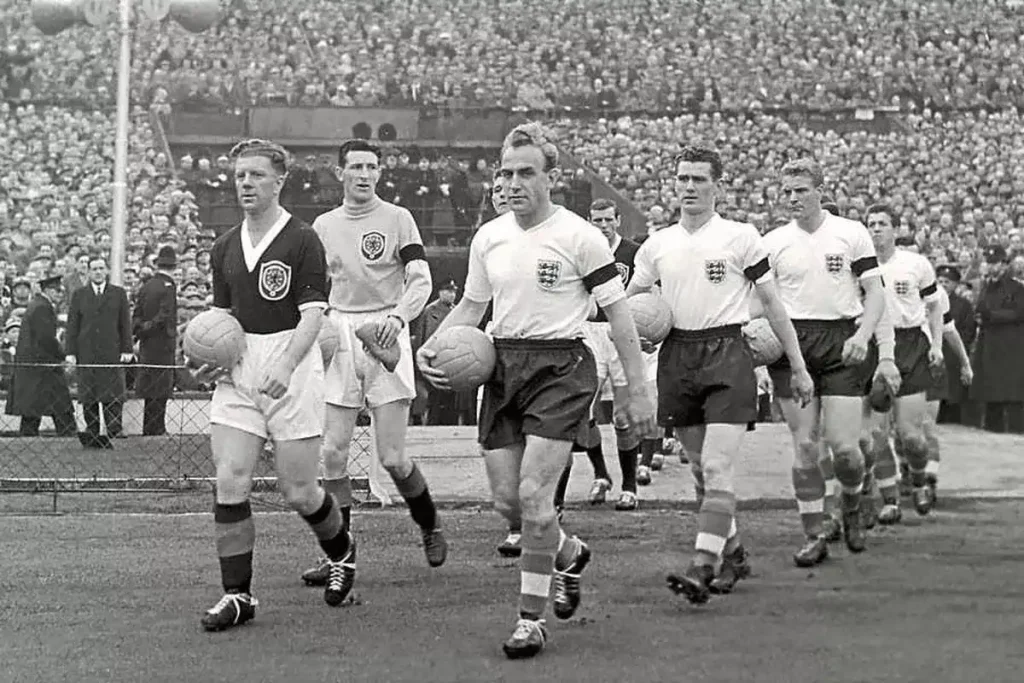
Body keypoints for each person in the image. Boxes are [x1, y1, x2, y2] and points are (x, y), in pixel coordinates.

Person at [419, 122, 655, 659]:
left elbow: (618, 314)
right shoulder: (490, 236)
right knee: (508, 505)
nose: (514, 182)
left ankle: (529, 620)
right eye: (506, 173)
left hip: (561, 367)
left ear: (552, 177)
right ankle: (567, 553)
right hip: (501, 367)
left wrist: (637, 388)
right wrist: (432, 347)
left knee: (533, 496)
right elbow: (471, 309)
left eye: (527, 172)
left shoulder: (580, 236)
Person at [627, 145, 812, 603]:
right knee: (699, 471)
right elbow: (631, 303)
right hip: (677, 356)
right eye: (683, 178)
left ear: (718, 187)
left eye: (698, 179)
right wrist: (638, 333)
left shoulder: (741, 237)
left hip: (729, 352)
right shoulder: (657, 244)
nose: (689, 187)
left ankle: (701, 566)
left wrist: (799, 365)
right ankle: (733, 553)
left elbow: (772, 304)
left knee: (716, 464)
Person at [197, 138, 350, 631]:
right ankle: (238, 595)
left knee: (301, 491)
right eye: (241, 175)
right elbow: (221, 320)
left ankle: (342, 554)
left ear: (280, 181)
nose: (246, 183)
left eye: (257, 175)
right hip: (241, 367)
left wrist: (284, 366)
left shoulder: (302, 239)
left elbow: (313, 317)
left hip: (294, 364)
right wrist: (206, 361)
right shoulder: (222, 246)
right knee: (230, 479)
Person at [302, 139, 445, 598]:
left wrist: (398, 319)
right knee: (333, 453)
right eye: (355, 167)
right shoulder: (323, 226)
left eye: (371, 167)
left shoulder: (398, 218)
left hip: (387, 326)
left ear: (379, 173)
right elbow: (312, 287)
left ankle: (428, 523)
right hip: (340, 331)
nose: (364, 174)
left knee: (393, 457)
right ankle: (339, 554)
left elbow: (420, 279)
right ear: (340, 172)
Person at [762, 159, 897, 568]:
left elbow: (875, 294)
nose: (792, 198)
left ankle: (852, 503)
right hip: (792, 343)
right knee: (805, 444)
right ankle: (814, 534)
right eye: (786, 191)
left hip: (841, 341)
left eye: (800, 190)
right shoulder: (773, 242)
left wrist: (862, 336)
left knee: (845, 450)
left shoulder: (850, 234)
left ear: (820, 189)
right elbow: (764, 302)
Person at [860, 206, 944, 525]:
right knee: (876, 434)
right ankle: (890, 500)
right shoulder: (860, 267)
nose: (876, 229)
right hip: (875, 347)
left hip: (910, 346)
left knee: (911, 436)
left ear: (896, 229)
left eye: (882, 224)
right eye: (871, 224)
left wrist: (935, 344)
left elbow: (934, 307)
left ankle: (920, 480)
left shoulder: (915, 264)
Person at [576, 197, 657, 511]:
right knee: (583, 412)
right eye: (598, 220)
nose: (604, 225)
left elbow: (650, 295)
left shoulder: (633, 253)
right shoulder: (581, 250)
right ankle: (600, 474)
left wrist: (648, 333)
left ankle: (629, 486)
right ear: (590, 221)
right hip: (588, 333)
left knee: (623, 416)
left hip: (620, 334)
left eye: (609, 220)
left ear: (618, 220)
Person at [65, 257, 132, 447]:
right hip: (86, 351)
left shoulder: (118, 294)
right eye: (94, 269)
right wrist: (70, 352)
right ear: (88, 271)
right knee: (89, 394)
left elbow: (124, 323)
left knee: (113, 392)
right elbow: (72, 325)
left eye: (101, 268)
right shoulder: (79, 295)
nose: (98, 272)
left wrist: (126, 348)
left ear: (107, 270)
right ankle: (92, 429)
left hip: (111, 350)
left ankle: (114, 428)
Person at [5, 275, 77, 437]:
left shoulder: (38, 305)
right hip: (42, 365)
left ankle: (31, 436)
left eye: (62, 291)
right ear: (48, 291)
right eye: (58, 291)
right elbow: (46, 338)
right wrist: (63, 355)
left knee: (34, 407)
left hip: (36, 366)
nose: (61, 294)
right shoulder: (42, 307)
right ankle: (68, 433)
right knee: (59, 403)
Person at [971, 245, 1024, 434]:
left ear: (1004, 264)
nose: (992, 267)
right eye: (989, 263)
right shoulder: (986, 287)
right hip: (990, 348)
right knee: (992, 398)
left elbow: (1019, 313)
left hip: (1011, 348)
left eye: (996, 263)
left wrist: (992, 315)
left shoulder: (1017, 288)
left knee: (1014, 399)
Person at [133, 246, 178, 436]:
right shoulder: (168, 287)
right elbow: (166, 315)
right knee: (161, 387)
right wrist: (151, 326)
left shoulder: (146, 286)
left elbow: (137, 314)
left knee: (150, 387)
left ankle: (148, 427)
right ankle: (157, 427)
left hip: (147, 343)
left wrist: (142, 329)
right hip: (163, 343)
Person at [413, 279, 462, 425]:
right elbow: (420, 337)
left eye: (454, 291)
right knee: (432, 398)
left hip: (452, 359)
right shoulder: (429, 311)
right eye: (448, 291)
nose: (451, 294)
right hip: (432, 358)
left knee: (450, 397)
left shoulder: (456, 311)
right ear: (440, 292)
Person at [935, 265, 977, 426]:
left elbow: (968, 329)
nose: (943, 284)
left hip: (953, 352)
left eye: (947, 281)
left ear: (955, 284)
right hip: (935, 349)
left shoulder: (963, 304)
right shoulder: (931, 301)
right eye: (940, 281)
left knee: (953, 390)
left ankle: (951, 418)